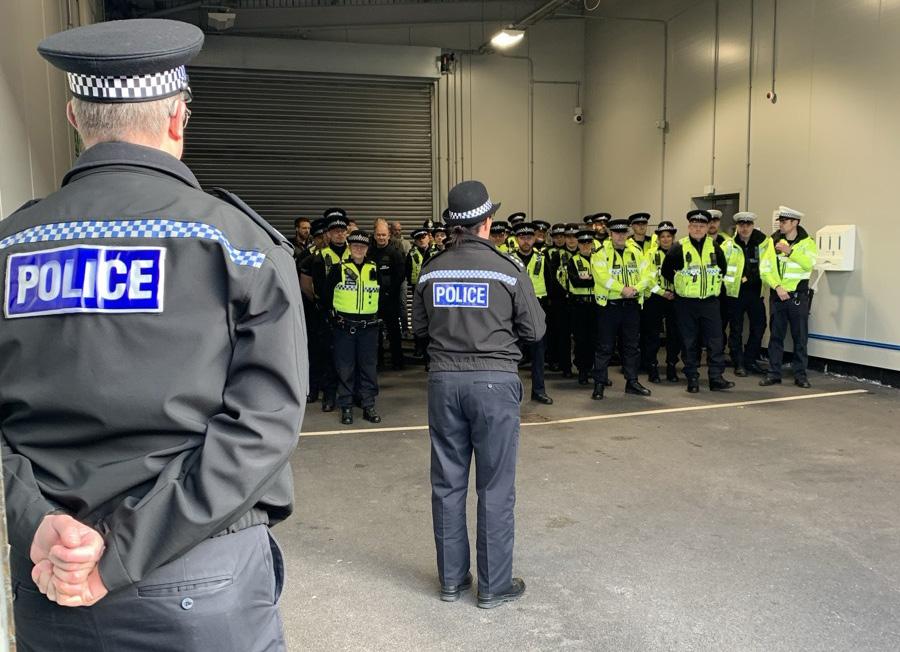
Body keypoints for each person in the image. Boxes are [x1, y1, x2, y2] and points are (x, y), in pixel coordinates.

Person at [3, 19, 306, 651]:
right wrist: (120, 553)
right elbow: (264, 426)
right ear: (177, 118)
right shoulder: (241, 246)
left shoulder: (11, 247)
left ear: (74, 117)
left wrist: (36, 520)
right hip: (198, 575)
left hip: (52, 575)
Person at [413, 180, 543, 609]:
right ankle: (493, 585)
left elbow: (418, 329)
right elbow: (535, 330)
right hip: (494, 384)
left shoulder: (431, 270)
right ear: (487, 222)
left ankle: (451, 581)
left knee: (447, 484)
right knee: (495, 486)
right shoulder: (507, 269)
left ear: (453, 225)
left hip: (444, 383)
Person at [661, 210, 735, 393]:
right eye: (694, 226)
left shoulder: (715, 247)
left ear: (707, 227)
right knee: (689, 342)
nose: (698, 229)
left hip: (710, 302)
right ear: (689, 227)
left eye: (702, 226)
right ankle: (692, 378)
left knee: (715, 341)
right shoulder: (678, 247)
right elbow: (666, 272)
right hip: (686, 303)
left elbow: (723, 269)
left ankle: (716, 378)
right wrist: (683, 285)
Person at [321, 231, 383, 424]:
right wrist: (332, 319)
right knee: (345, 368)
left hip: (369, 328)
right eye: (355, 246)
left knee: (368, 368)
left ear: (367, 249)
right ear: (349, 247)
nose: (358, 249)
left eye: (362, 246)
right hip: (344, 328)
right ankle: (346, 407)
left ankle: (368, 405)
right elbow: (326, 296)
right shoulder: (339, 269)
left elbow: (382, 295)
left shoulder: (374, 268)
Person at [589, 218, 652, 400]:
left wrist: (635, 289)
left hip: (631, 306)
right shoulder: (600, 252)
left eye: (623, 232)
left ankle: (632, 382)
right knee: (604, 347)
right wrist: (622, 289)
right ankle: (599, 384)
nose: (620, 236)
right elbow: (601, 277)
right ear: (610, 234)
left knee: (631, 346)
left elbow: (647, 275)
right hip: (609, 307)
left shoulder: (636, 252)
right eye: (617, 233)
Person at [759, 206, 818, 388]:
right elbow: (765, 269)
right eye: (780, 221)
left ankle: (800, 375)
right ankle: (773, 373)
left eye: (784, 222)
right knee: (776, 337)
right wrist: (777, 287)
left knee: (800, 338)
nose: (781, 225)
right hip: (778, 296)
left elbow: (809, 264)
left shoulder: (807, 243)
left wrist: (790, 252)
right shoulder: (773, 241)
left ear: (795, 223)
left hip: (798, 297)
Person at [313, 209, 353, 411]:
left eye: (342, 230)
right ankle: (329, 396)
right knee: (329, 356)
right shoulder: (321, 256)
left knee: (350, 358)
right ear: (328, 234)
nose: (339, 234)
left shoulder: (354, 253)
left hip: (351, 313)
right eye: (335, 231)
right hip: (330, 313)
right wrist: (327, 310)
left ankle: (352, 394)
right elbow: (319, 287)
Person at [721, 212, 767, 376]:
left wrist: (751, 277)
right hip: (735, 294)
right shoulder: (728, 245)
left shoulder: (763, 243)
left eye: (748, 225)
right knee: (736, 330)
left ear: (753, 226)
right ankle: (738, 363)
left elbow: (768, 265)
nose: (745, 228)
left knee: (759, 326)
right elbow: (720, 268)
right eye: (741, 225)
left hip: (756, 293)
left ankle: (750, 360)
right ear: (737, 227)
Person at [512, 223, 554, 404]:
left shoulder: (542, 258)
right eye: (522, 238)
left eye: (529, 238)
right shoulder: (509, 259)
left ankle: (539, 391)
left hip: (537, 309)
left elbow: (550, 285)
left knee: (538, 353)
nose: (526, 241)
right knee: (513, 353)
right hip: (514, 310)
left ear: (534, 239)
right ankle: (511, 392)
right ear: (517, 239)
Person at [641, 221, 683, 383]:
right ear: (658, 238)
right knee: (652, 334)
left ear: (673, 238)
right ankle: (652, 368)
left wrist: (675, 292)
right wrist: (662, 292)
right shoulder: (650, 254)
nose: (665, 239)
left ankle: (671, 366)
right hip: (656, 297)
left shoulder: (680, 252)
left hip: (675, 297)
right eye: (663, 236)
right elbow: (647, 277)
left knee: (674, 334)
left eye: (669, 236)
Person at [299, 218, 331, 402]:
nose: (323, 239)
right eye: (319, 237)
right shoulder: (307, 256)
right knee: (313, 352)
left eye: (325, 235)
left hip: (330, 310)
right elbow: (303, 284)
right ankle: (313, 388)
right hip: (312, 310)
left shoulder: (332, 255)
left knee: (329, 352)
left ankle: (328, 389)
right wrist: (316, 300)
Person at [371, 218, 406, 370]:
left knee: (394, 332)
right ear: (374, 235)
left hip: (390, 298)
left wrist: (390, 292)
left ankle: (398, 361)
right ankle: (378, 362)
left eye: (384, 235)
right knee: (375, 333)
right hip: (373, 299)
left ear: (389, 235)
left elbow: (400, 275)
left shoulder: (395, 252)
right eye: (378, 235)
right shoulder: (369, 252)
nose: (381, 237)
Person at [565, 230, 599, 384]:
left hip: (595, 304)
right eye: (582, 243)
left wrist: (589, 279)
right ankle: (582, 371)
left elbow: (603, 279)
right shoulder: (573, 260)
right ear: (578, 245)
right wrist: (593, 279)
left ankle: (595, 369)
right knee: (581, 340)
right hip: (579, 305)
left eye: (588, 243)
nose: (585, 246)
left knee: (595, 339)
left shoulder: (598, 260)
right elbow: (576, 282)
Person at [407, 227, 436, 361]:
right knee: (418, 318)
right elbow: (407, 271)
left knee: (432, 319)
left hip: (432, 289)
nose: (421, 241)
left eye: (423, 237)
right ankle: (419, 347)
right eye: (418, 239)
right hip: (417, 289)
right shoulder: (412, 253)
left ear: (428, 237)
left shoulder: (436, 252)